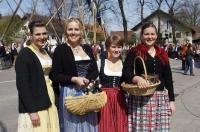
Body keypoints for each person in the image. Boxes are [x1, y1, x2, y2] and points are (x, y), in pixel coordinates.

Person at [122, 22, 176, 132]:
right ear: (141, 36)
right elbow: (126, 72)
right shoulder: (134, 52)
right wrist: (136, 78)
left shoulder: (162, 53)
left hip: (160, 98)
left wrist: (171, 100)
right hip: (140, 98)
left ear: (156, 36)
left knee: (160, 129)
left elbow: (168, 78)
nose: (149, 37)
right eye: (146, 34)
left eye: (152, 34)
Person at [50, 17, 99, 132]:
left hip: (87, 91)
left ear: (81, 31)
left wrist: (88, 79)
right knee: (72, 127)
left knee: (88, 125)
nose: (73, 32)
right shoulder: (60, 49)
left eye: (76, 29)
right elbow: (55, 75)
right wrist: (74, 79)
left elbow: (95, 70)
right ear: (66, 31)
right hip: (70, 93)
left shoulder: (87, 48)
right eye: (70, 29)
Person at [15, 20, 60, 132]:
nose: (42, 37)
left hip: (49, 97)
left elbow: (54, 76)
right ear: (30, 35)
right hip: (36, 102)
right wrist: (32, 111)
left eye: (44, 33)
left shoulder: (46, 52)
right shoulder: (25, 54)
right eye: (38, 34)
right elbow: (22, 85)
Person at [98, 34, 127, 132]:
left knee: (120, 126)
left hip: (120, 99)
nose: (116, 50)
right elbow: (92, 79)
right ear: (107, 48)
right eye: (113, 47)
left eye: (119, 47)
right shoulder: (101, 63)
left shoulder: (124, 64)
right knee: (105, 126)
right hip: (104, 100)